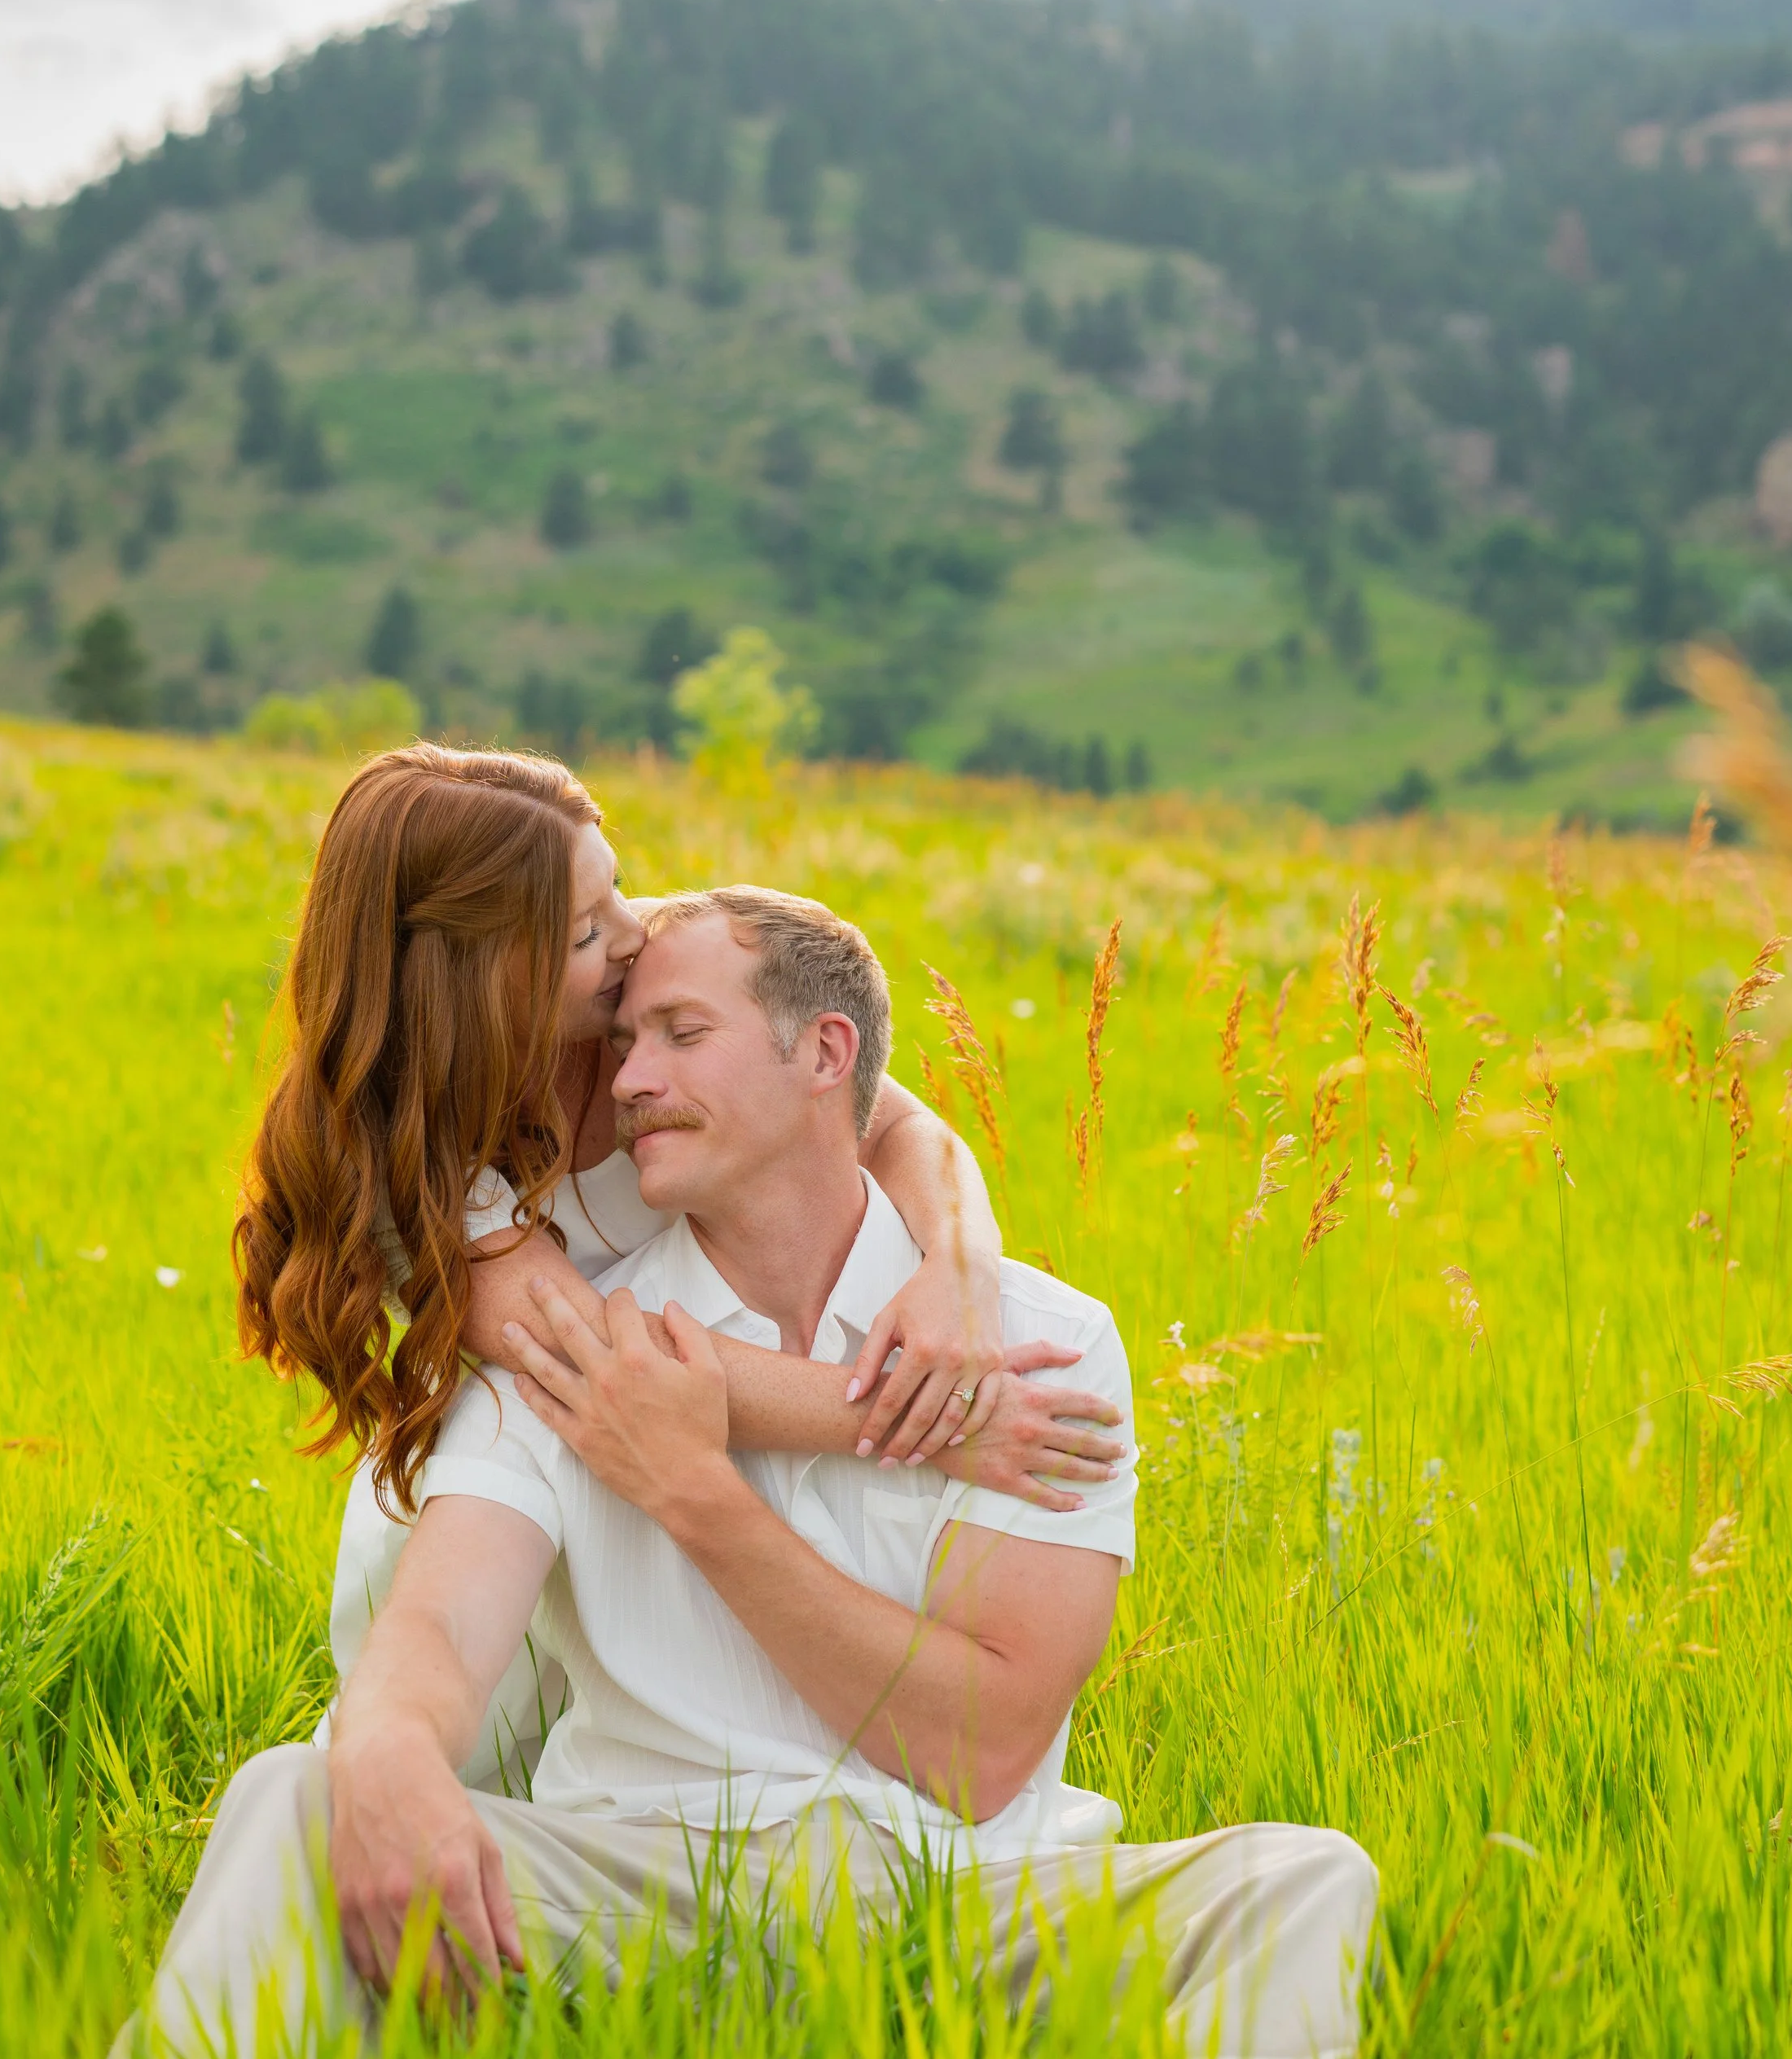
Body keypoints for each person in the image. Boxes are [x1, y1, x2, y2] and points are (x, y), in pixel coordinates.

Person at [109, 883, 1378, 2059]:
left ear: (824, 1055)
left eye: (678, 1035)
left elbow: (982, 1751)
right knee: (298, 1799)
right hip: (646, 1890)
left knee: (1305, 1881)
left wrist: (698, 1495)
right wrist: (388, 1747)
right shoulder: (574, 1341)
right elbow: (435, 1623)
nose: (629, 1079)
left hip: (961, 1904)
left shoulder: (1044, 1344)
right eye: (624, 1043)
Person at [232, 744, 1126, 1793]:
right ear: (484, 978)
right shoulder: (400, 1155)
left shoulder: (630, 978)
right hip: (535, 1443)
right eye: (583, 929)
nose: (630, 933)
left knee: (701, 1736)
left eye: (613, 885)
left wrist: (963, 1264)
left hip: (747, 1397)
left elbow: (877, 1114)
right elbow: (598, 1364)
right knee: (447, 1765)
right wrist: (930, 1425)